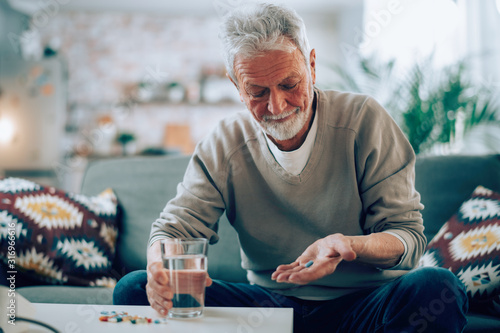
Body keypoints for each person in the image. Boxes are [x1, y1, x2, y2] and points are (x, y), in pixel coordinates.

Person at [113, 3, 468, 332]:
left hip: (364, 306)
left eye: (289, 84)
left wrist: (347, 245)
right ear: (236, 85)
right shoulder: (224, 143)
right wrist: (160, 263)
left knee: (438, 288)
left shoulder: (364, 120)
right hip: (268, 310)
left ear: (311, 65)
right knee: (133, 288)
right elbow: (175, 230)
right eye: (257, 92)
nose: (277, 104)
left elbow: (408, 239)